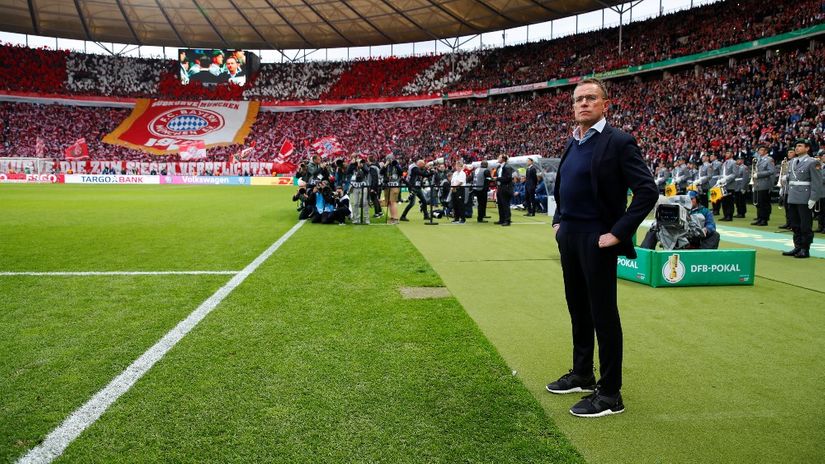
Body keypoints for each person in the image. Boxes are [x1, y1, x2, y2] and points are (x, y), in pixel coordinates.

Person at [546, 78, 657, 418]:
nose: (583, 103)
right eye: (578, 99)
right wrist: (559, 221)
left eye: (591, 98)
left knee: (603, 315)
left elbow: (647, 192)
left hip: (598, 239)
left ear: (605, 104)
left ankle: (610, 394)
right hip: (571, 237)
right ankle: (582, 373)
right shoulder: (573, 141)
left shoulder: (619, 141)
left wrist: (618, 233)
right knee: (578, 308)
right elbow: (565, 184)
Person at [781, 139, 823, 258]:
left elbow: (817, 182)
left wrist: (814, 198)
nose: (797, 148)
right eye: (796, 146)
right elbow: (793, 176)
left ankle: (805, 248)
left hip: (805, 196)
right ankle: (797, 246)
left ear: (807, 148)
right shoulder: (793, 161)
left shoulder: (813, 162)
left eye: (800, 146)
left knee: (805, 225)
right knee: (794, 224)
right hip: (792, 195)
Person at [751, 145, 775, 226]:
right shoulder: (758, 160)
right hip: (757, 183)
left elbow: (771, 171)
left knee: (763, 203)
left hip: (764, 183)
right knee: (758, 203)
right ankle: (759, 218)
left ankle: (764, 219)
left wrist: (758, 174)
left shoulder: (769, 160)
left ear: (765, 151)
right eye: (759, 150)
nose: (759, 152)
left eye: (761, 150)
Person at [382, 155, 403, 224]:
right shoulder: (386, 166)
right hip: (387, 186)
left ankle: (396, 218)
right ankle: (392, 217)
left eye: (390, 159)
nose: (389, 160)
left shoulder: (396, 165)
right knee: (389, 202)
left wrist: (396, 164)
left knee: (393, 201)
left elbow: (401, 172)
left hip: (394, 185)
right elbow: (381, 172)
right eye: (388, 159)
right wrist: (385, 165)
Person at [495, 154, 514, 226]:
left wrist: (497, 179)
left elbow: (508, 178)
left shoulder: (507, 167)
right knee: (500, 204)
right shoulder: (499, 167)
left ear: (503, 159)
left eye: (499, 157)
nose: (498, 158)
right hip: (500, 187)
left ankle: (507, 220)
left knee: (505, 204)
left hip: (506, 187)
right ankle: (501, 219)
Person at [717, 150, 736, 221]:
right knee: (724, 201)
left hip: (730, 185)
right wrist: (720, 179)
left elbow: (734, 174)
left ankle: (729, 216)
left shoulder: (734, 163)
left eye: (728, 153)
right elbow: (722, 173)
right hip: (723, 185)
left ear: (732, 154)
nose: (726, 154)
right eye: (726, 153)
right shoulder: (724, 163)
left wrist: (726, 179)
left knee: (729, 201)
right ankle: (725, 215)